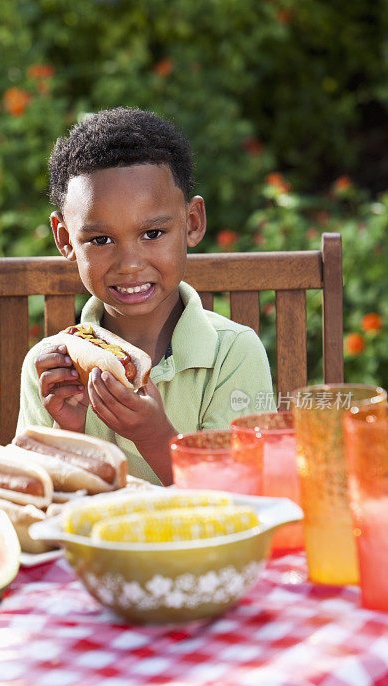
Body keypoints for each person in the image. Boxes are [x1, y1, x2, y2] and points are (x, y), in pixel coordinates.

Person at [17, 107, 273, 485]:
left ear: (193, 222)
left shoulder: (234, 354)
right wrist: (67, 432)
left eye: (152, 233)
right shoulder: (51, 367)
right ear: (65, 239)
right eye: (100, 240)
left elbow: (239, 497)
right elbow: (37, 501)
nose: (130, 264)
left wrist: (154, 435)